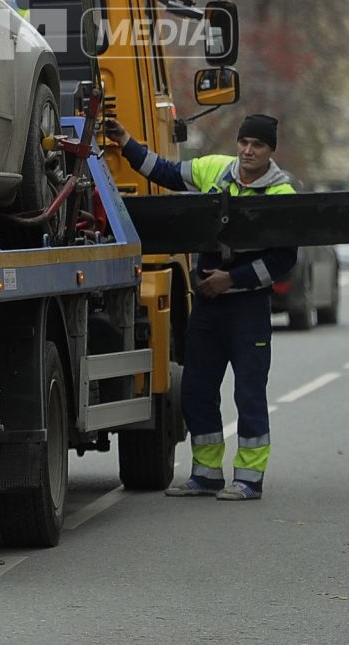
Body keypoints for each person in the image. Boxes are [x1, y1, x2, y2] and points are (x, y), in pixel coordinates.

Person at [102, 112, 295, 501]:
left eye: (257, 145)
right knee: (196, 389)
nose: (247, 151)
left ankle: (249, 479)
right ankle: (206, 474)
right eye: (244, 143)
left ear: (270, 151)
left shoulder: (281, 197)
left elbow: (283, 261)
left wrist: (232, 280)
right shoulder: (214, 170)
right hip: (208, 308)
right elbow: (166, 173)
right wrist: (126, 143)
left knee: (249, 393)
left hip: (247, 309)